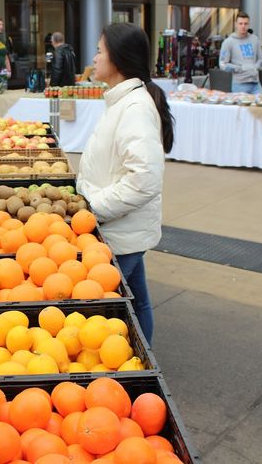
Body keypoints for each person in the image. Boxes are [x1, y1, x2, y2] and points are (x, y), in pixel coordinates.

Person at [76, 23, 174, 345]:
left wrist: (94, 208)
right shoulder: (123, 101)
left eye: (99, 50)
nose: (94, 57)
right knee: (138, 300)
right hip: (120, 228)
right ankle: (142, 357)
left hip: (118, 228)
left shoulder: (134, 108)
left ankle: (132, 368)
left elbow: (144, 179)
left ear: (117, 59)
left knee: (108, 306)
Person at [219, 12, 262, 94]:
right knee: (242, 107)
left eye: (246, 24)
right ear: (236, 24)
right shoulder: (228, 42)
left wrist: (254, 67)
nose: (243, 26)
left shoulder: (255, 39)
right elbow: (222, 64)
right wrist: (240, 68)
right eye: (240, 23)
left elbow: (261, 58)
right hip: (239, 85)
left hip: (256, 84)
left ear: (249, 24)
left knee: (261, 106)